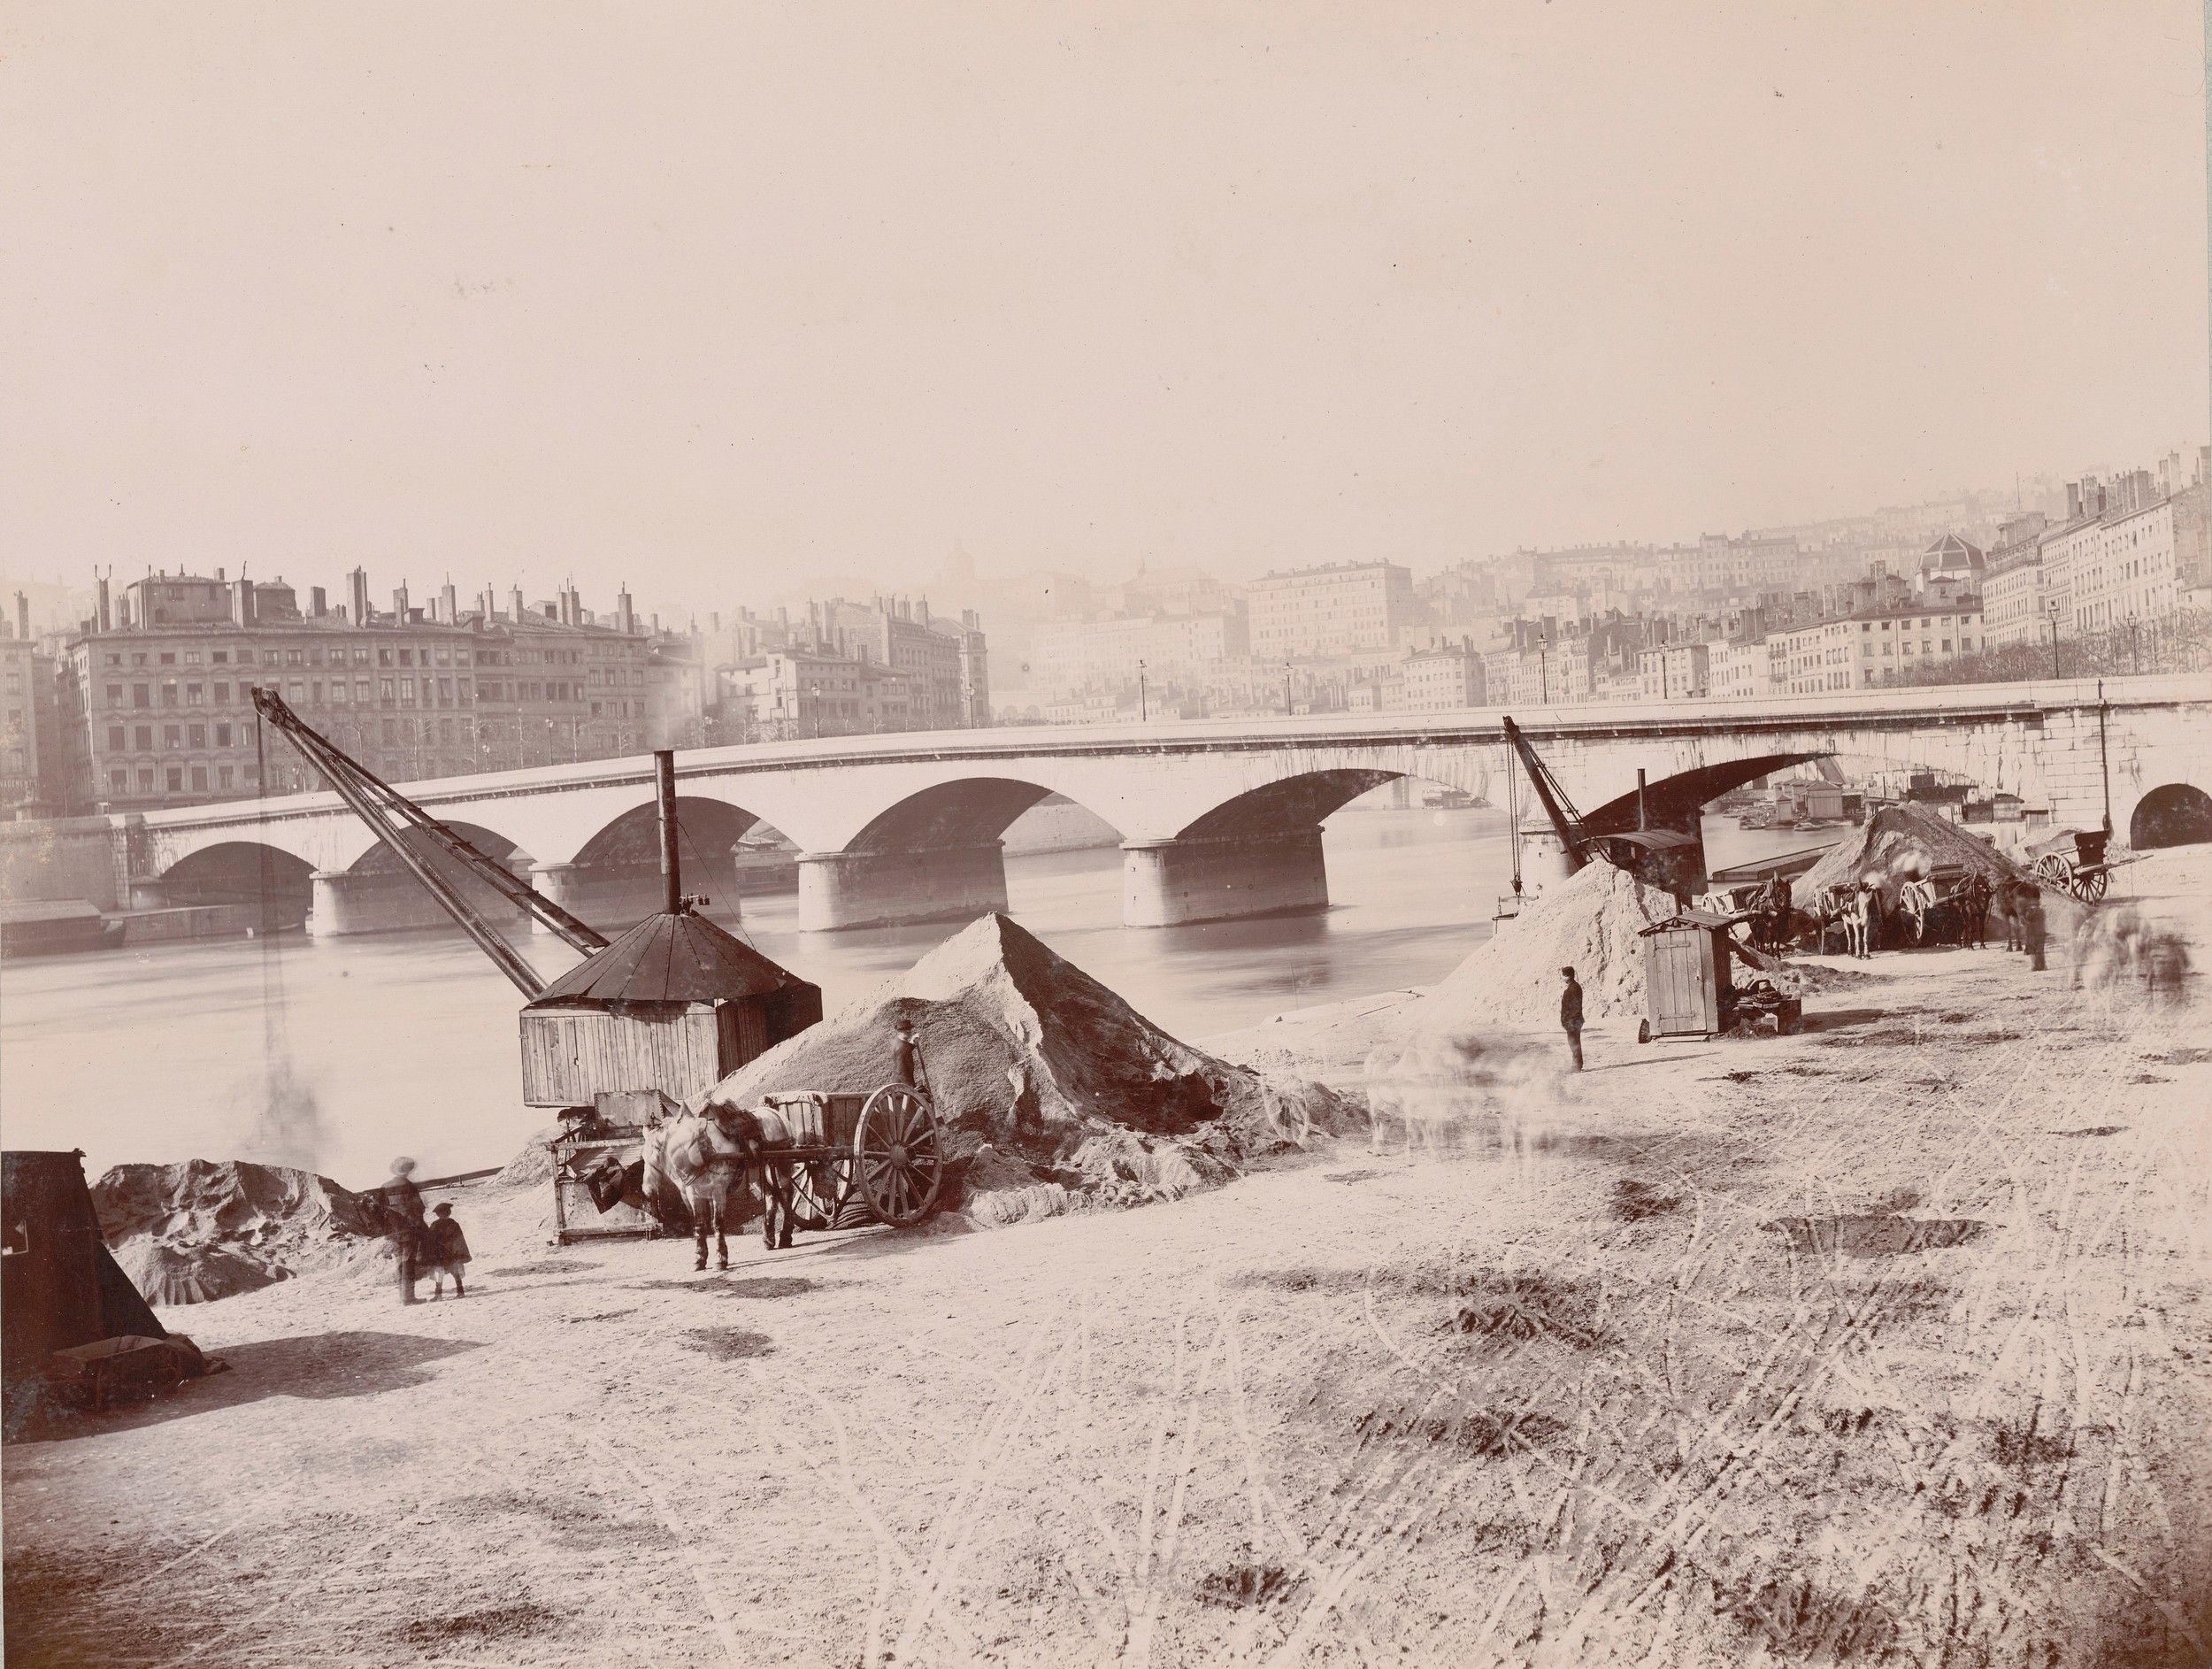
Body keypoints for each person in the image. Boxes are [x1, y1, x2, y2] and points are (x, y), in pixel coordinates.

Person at [383, 1157, 427, 1306]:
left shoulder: (385, 1187)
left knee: (399, 1262)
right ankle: (408, 1297)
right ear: (408, 1171)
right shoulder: (409, 1186)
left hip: (394, 1232)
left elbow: (379, 1210)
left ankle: (402, 1295)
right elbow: (419, 1209)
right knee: (408, 1262)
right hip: (410, 1231)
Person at [424, 1203, 472, 1299]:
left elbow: (430, 1241)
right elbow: (459, 1240)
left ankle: (438, 1295)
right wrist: (459, 1253)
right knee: (456, 1273)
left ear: (438, 1214)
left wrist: (431, 1254)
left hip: (440, 1254)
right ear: (449, 1212)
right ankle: (460, 1292)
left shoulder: (434, 1225)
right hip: (452, 1253)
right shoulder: (454, 1224)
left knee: (439, 1274)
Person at [1558, 965, 1584, 1071]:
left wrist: (1571, 1021)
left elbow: (1576, 1006)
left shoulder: (1574, 988)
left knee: (1574, 1043)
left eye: (1564, 976)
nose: (1562, 978)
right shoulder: (1572, 987)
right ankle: (1576, 1064)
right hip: (1572, 1021)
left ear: (1568, 976)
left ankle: (1576, 1066)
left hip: (1574, 1021)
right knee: (1573, 1042)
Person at [2021, 883, 2047, 973]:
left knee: (2032, 946)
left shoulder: (2030, 909)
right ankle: (2042, 965)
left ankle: (2034, 966)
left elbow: (2027, 919)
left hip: (2032, 930)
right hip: (2040, 930)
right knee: (2040, 947)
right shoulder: (2040, 910)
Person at [891, 1015, 920, 1089]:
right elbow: (901, 1071)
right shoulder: (902, 1047)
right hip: (903, 1084)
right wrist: (911, 1088)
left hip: (897, 1081)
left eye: (909, 1028)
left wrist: (912, 1043)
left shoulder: (897, 1041)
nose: (908, 1031)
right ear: (900, 1031)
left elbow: (905, 1050)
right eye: (905, 1029)